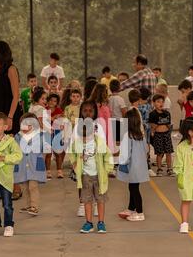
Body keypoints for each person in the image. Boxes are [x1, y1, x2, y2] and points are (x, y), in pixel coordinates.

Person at [69, 100, 113, 234]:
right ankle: (88, 222)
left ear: (95, 112)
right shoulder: (77, 126)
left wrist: (107, 168)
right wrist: (75, 164)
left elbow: (104, 150)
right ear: (81, 112)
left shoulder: (98, 127)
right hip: (85, 172)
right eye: (85, 110)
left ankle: (101, 222)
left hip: (98, 172)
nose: (88, 113)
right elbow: (73, 148)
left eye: (90, 111)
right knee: (86, 197)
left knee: (100, 198)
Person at [117, 108, 149, 221]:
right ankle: (131, 208)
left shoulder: (127, 136)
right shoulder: (141, 135)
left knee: (134, 189)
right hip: (140, 167)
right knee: (133, 187)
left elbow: (125, 154)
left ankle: (140, 212)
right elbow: (146, 150)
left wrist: (120, 162)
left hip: (133, 167)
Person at [15, 113, 50, 216]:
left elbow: (45, 149)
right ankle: (28, 205)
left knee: (33, 187)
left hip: (34, 165)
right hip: (23, 166)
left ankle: (34, 206)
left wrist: (41, 159)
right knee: (26, 187)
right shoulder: (18, 136)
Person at [0, 41, 22, 136]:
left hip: (8, 113)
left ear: (0, 53)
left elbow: (16, 96)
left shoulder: (11, 69)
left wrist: (10, 117)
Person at [149, 94, 174, 177]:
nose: (161, 103)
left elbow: (169, 125)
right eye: (158, 102)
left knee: (168, 152)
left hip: (166, 134)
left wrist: (168, 128)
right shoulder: (153, 114)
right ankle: (159, 169)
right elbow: (153, 126)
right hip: (158, 135)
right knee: (159, 153)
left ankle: (169, 168)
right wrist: (156, 125)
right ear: (154, 103)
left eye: (162, 102)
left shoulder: (167, 113)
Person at [45, 93, 65, 179]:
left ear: (57, 102)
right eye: (50, 100)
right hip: (47, 133)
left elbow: (62, 122)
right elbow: (44, 120)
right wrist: (53, 118)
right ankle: (48, 171)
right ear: (47, 101)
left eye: (54, 101)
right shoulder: (44, 110)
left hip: (57, 133)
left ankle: (59, 171)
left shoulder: (59, 110)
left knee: (58, 153)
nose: (52, 102)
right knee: (48, 153)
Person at [109, 79, 127, 145]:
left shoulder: (109, 99)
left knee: (113, 139)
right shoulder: (120, 99)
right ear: (119, 88)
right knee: (119, 141)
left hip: (111, 120)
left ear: (110, 88)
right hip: (119, 121)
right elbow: (124, 111)